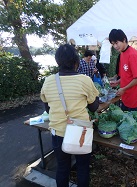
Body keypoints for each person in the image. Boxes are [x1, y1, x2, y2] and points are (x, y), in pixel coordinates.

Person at [40, 44, 99, 187]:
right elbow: (94, 106)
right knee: (82, 168)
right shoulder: (84, 80)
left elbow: (48, 109)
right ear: (76, 61)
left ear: (57, 61)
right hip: (81, 132)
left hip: (58, 133)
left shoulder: (48, 81)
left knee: (62, 168)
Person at [108, 29, 137, 116]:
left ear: (124, 40)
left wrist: (123, 89)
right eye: (113, 44)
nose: (115, 46)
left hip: (136, 101)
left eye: (116, 43)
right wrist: (117, 82)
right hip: (126, 99)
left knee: (135, 128)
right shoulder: (122, 54)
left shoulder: (133, 55)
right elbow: (127, 75)